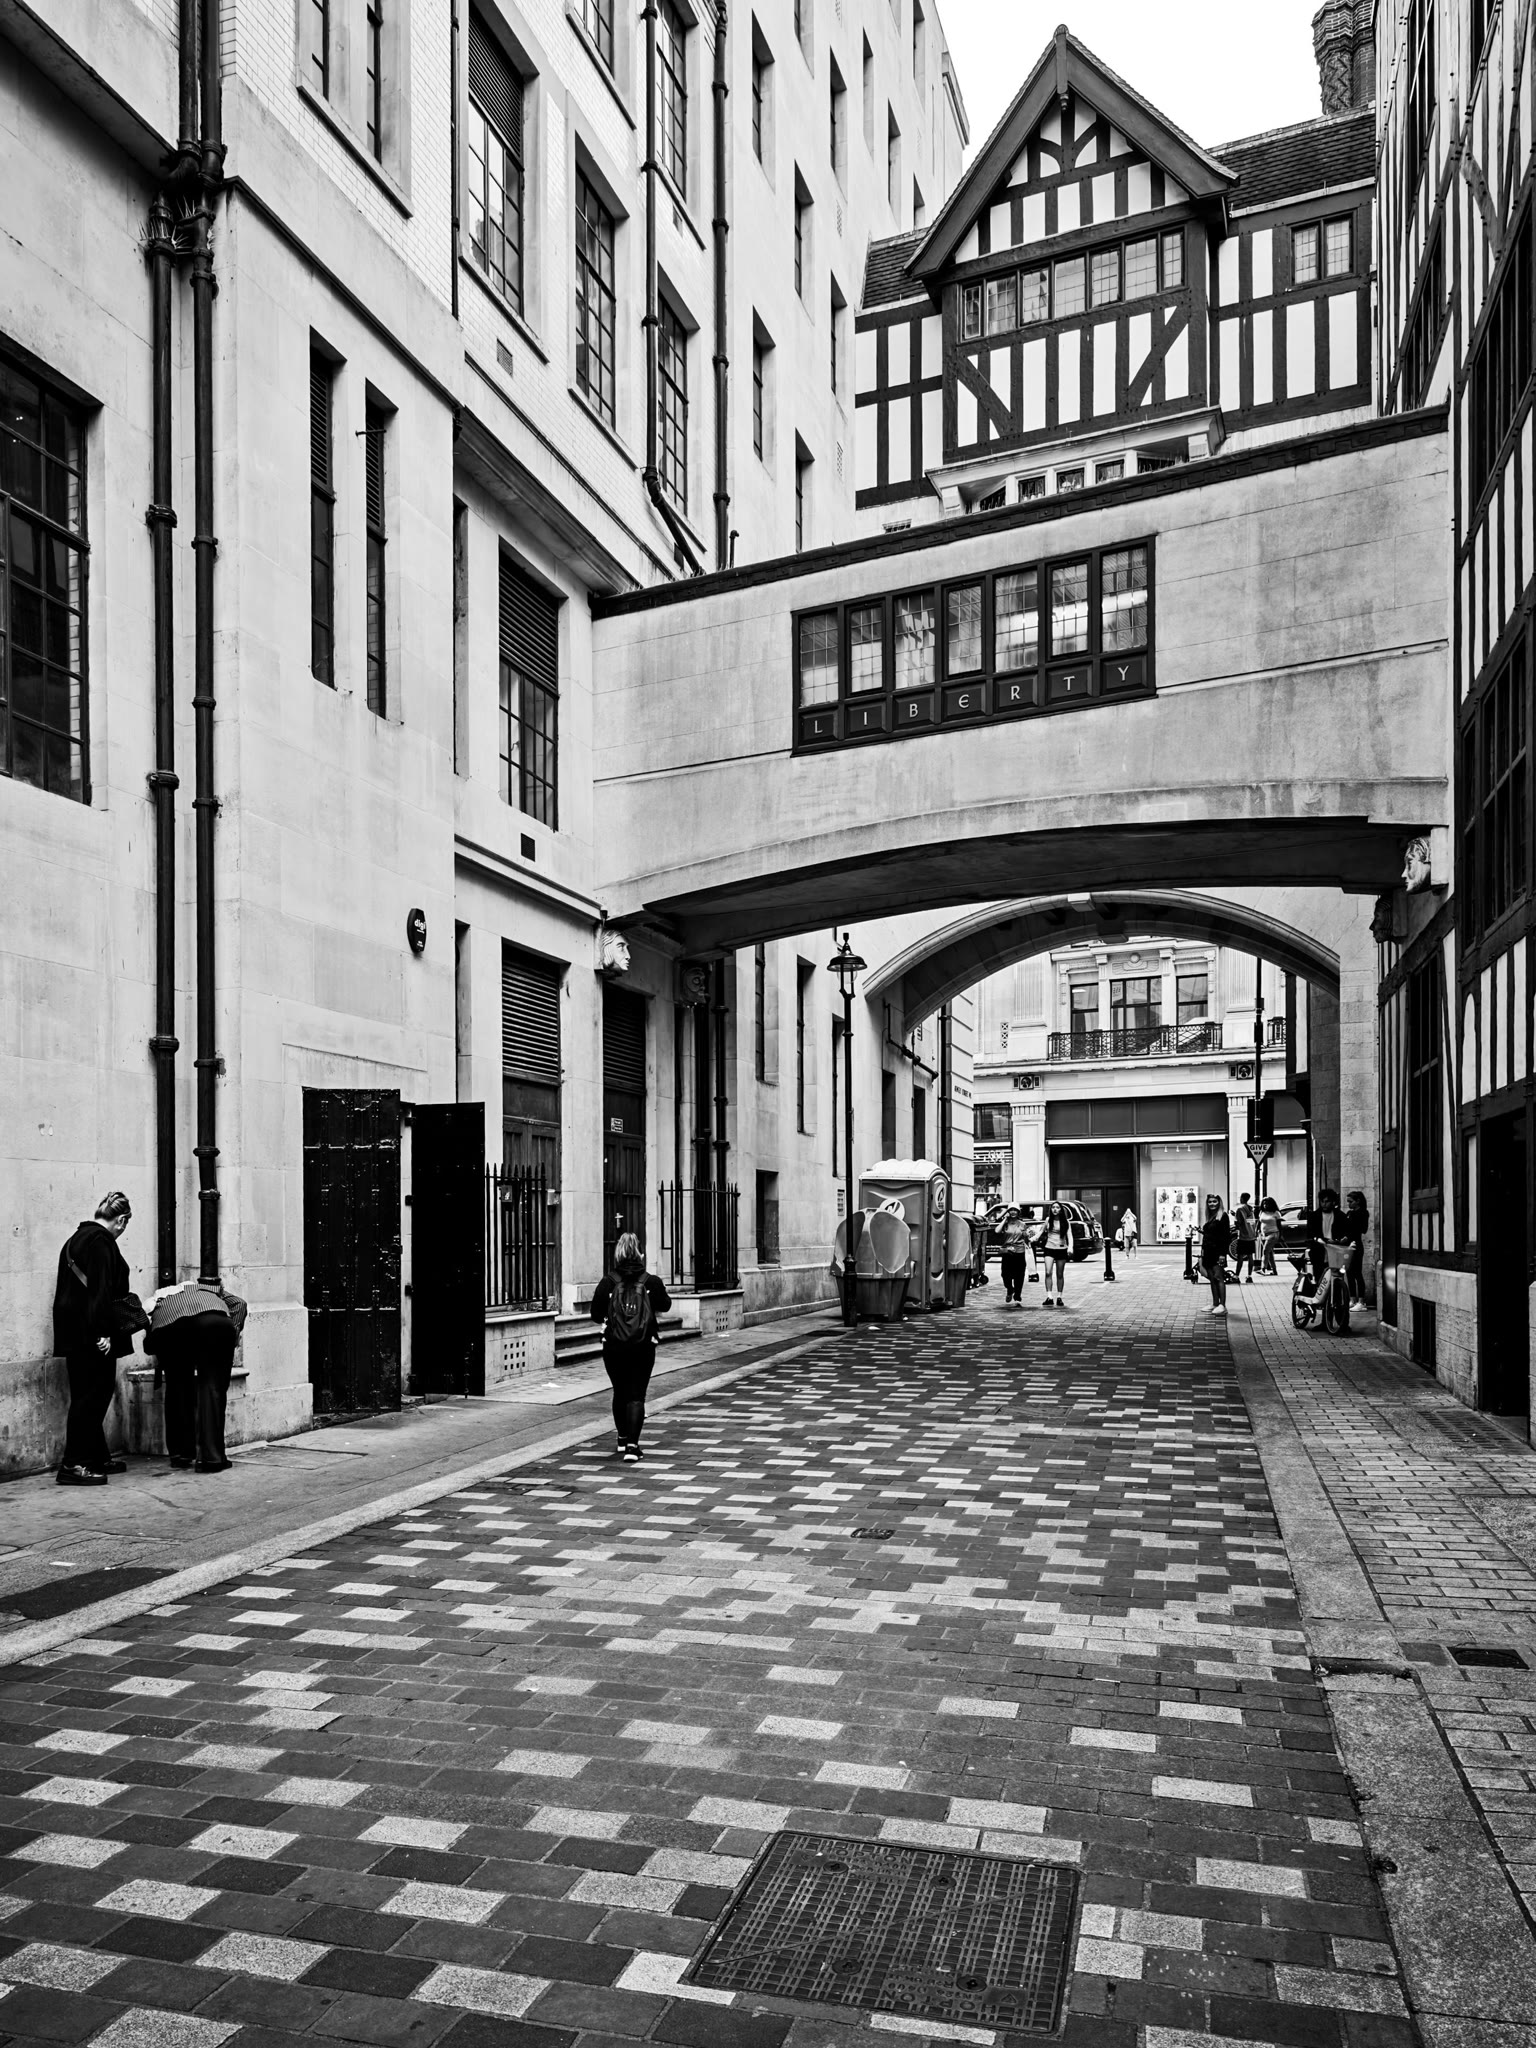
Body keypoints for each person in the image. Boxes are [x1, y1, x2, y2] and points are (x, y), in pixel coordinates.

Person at [52, 1192, 137, 1485]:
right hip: (93, 1333)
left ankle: (96, 1455)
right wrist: (104, 1332)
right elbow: (101, 1290)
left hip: (74, 1331)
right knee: (93, 1396)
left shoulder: (75, 1239)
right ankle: (74, 1464)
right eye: (125, 1224)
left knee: (86, 1393)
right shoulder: (101, 1242)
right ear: (121, 1220)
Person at [145, 1281, 248, 1471]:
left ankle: (180, 1454)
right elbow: (239, 1304)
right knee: (212, 1388)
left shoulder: (157, 1300)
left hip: (170, 1330)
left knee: (177, 1388)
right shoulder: (207, 1289)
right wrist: (233, 1332)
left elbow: (150, 1338)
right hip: (214, 1324)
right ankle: (211, 1459)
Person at [589, 1233, 672, 1462]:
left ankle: (622, 1437)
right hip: (643, 1345)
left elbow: (595, 1314)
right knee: (637, 1394)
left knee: (620, 1391)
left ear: (618, 1253)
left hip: (613, 1346)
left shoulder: (608, 1282)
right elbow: (666, 1305)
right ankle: (633, 1447)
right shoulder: (650, 1281)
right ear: (640, 1254)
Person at [1034, 1201, 1072, 1308]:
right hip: (1049, 1248)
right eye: (1053, 1207)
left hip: (1061, 1249)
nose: (1055, 1209)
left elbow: (1070, 1236)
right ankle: (1049, 1296)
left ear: (1061, 1210)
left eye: (1057, 1207)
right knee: (1048, 1272)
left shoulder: (1065, 1222)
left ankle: (1059, 1297)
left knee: (1060, 1274)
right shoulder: (1048, 1220)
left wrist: (1070, 1247)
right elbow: (1041, 1232)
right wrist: (1033, 1238)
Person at [1201, 1194, 1232, 1315]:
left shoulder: (1223, 1216)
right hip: (1208, 1252)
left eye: (1214, 1201)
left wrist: (1223, 1254)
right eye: (1210, 1202)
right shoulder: (1211, 1217)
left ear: (1219, 1203)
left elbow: (1225, 1237)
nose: (1212, 1204)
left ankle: (1222, 1305)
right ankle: (1215, 1303)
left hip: (1218, 1252)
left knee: (1218, 1277)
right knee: (1212, 1279)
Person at [1338, 1190, 1371, 1304]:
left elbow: (1363, 1229)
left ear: (1358, 1201)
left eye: (1351, 1201)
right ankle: (1352, 1299)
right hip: (1348, 1245)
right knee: (1349, 1272)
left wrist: (1349, 1234)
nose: (1349, 1204)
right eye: (1348, 1202)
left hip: (1356, 1244)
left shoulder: (1363, 1213)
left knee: (1357, 1272)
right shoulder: (1349, 1213)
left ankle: (1361, 1300)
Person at [998, 1206, 1031, 1305]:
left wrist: (1027, 1235)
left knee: (1019, 1275)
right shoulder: (1005, 1224)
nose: (1013, 1212)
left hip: (1019, 1252)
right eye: (1011, 1210)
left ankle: (1017, 1295)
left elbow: (1027, 1238)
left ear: (1018, 1212)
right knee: (1005, 1274)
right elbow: (997, 1231)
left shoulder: (1022, 1224)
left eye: (1015, 1210)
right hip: (1007, 1251)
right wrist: (1005, 1219)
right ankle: (1009, 1288)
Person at [1231, 1195, 1258, 1283]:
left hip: (1243, 1236)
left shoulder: (1240, 1209)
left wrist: (1234, 1216)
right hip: (1251, 1235)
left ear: (1242, 1198)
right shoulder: (1251, 1210)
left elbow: (1238, 1223)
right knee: (1250, 1256)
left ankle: (1236, 1276)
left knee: (1240, 1256)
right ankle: (1249, 1276)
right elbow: (1249, 1221)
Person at [1257, 1195, 1281, 1276]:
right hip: (1263, 1234)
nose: (1265, 1205)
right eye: (1264, 1204)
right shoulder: (1262, 1212)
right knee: (1269, 1253)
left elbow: (1279, 1225)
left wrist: (1280, 1235)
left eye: (1267, 1203)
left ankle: (1263, 1268)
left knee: (1265, 1251)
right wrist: (1257, 1230)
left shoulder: (1276, 1213)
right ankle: (1274, 1271)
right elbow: (1259, 1222)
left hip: (1273, 1234)